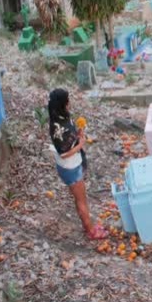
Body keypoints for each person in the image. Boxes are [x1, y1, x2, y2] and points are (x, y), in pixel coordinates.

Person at [47, 89, 107, 240]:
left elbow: (69, 139)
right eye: (68, 100)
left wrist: (78, 133)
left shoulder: (61, 116)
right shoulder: (57, 128)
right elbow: (64, 152)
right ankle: (91, 231)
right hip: (70, 167)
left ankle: (88, 225)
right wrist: (80, 145)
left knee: (81, 198)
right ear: (63, 103)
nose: (69, 102)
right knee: (81, 200)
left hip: (73, 165)